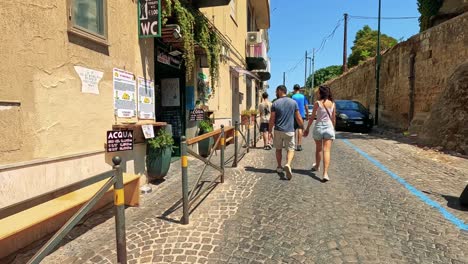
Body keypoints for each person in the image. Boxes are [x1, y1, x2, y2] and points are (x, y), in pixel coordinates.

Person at [269, 85, 304, 180]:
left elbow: (272, 119)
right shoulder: (293, 103)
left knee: (278, 149)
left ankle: (279, 167)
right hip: (290, 130)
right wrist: (302, 127)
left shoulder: (275, 103)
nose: (276, 93)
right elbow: (298, 117)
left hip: (278, 130)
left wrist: (269, 130)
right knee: (291, 149)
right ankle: (288, 164)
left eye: (276, 91)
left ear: (280, 91)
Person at [303, 85, 336, 182]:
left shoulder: (317, 103)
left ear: (321, 93)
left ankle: (317, 166)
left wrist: (307, 129)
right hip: (329, 127)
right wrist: (333, 129)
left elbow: (312, 117)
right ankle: (325, 173)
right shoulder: (333, 104)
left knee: (319, 149)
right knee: (327, 151)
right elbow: (333, 118)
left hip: (318, 127)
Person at [291, 84, 308, 151]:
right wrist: (307, 115)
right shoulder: (303, 96)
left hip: (294, 115)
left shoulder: (293, 97)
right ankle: (299, 145)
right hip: (302, 115)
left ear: (294, 89)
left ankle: (293, 144)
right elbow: (306, 106)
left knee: (294, 129)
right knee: (300, 129)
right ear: (299, 89)